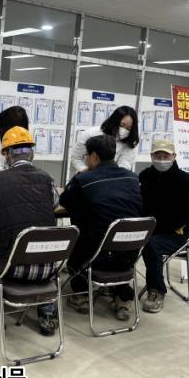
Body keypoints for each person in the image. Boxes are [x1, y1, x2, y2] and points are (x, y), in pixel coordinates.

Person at [0, 127, 61, 336]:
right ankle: (48, 315)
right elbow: (54, 204)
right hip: (47, 268)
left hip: (10, 268)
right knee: (42, 251)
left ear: (6, 154)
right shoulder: (47, 179)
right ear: (31, 153)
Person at [60, 134, 143, 320]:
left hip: (95, 257)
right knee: (115, 236)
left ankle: (81, 295)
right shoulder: (132, 178)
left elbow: (64, 201)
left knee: (80, 238)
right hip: (128, 256)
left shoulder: (84, 179)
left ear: (94, 156)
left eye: (86, 156)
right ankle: (122, 297)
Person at [140, 139, 189, 314]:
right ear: (151, 156)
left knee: (151, 245)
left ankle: (156, 290)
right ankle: (119, 288)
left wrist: (150, 229)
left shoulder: (185, 180)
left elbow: (182, 217)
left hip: (174, 234)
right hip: (148, 229)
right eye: (158, 156)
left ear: (174, 156)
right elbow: (139, 205)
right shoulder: (144, 176)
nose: (162, 159)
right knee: (122, 238)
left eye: (166, 156)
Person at [70, 105, 139, 173]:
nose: (124, 130)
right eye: (122, 125)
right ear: (114, 121)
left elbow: (124, 167)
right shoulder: (92, 133)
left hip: (113, 178)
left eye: (128, 128)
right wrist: (87, 171)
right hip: (87, 175)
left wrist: (107, 176)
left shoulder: (130, 143)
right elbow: (76, 157)